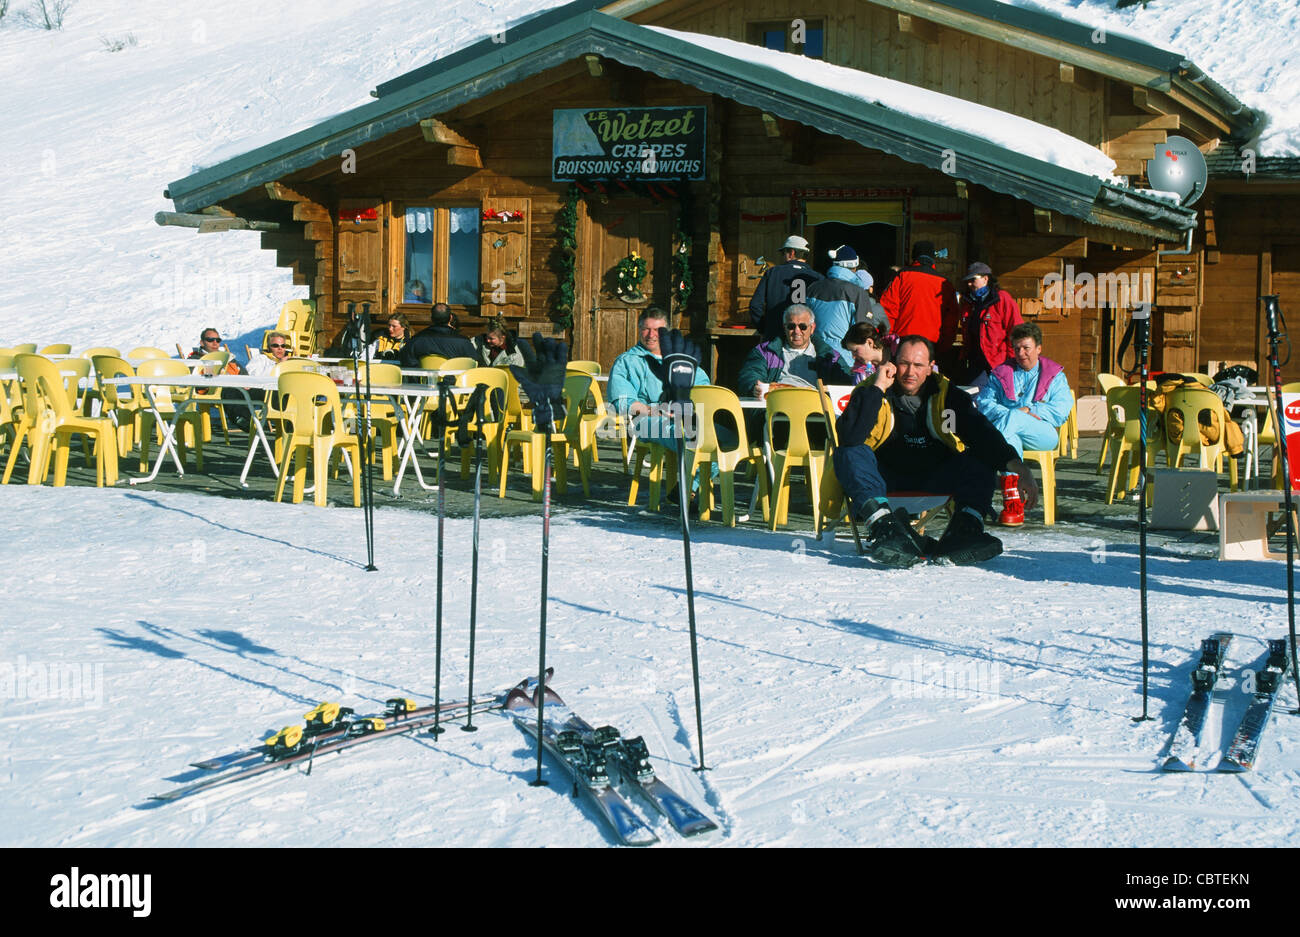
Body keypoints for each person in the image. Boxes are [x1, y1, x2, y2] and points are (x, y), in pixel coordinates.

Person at [831, 335, 1040, 567]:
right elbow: (849, 437)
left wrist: (1020, 468)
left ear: (930, 368)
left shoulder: (946, 394)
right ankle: (886, 531)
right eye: (904, 363)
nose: (910, 372)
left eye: (918, 365)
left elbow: (982, 434)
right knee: (848, 453)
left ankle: (964, 532)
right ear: (891, 363)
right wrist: (877, 388)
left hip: (935, 477)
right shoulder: (870, 390)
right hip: (883, 480)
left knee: (979, 457)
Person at [975, 322, 1073, 525]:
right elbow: (984, 404)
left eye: (1026, 348)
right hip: (1011, 435)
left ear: (1038, 348)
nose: (1021, 353)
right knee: (1011, 434)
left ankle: (981, 471)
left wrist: (1029, 411)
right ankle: (1013, 505)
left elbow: (1061, 410)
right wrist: (1013, 414)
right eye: (1017, 348)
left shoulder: (1054, 374)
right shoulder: (1002, 373)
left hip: (1043, 433)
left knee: (1014, 419)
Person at [738, 304, 851, 400]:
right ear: (784, 327)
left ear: (812, 328)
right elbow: (750, 374)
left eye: (803, 327)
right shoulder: (765, 351)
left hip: (815, 408)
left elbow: (845, 383)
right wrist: (754, 387)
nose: (797, 331)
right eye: (791, 326)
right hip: (776, 406)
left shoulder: (829, 356)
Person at [806, 245, 888, 368]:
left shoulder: (812, 288)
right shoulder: (858, 292)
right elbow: (864, 330)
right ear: (854, 267)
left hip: (813, 353)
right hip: (844, 359)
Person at [877, 240, 958, 354]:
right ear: (932, 258)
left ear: (914, 257)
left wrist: (888, 340)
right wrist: (944, 345)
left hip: (903, 341)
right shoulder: (945, 283)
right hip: (932, 343)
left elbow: (888, 310)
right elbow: (951, 319)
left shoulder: (902, 276)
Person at [954, 262, 1023, 386]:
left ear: (986, 279)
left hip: (999, 363)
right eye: (968, 281)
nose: (969, 284)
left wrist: (1011, 362)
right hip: (975, 363)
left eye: (973, 280)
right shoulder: (968, 302)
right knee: (974, 398)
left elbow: (1017, 332)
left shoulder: (1002, 299)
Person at [748, 235, 823, 341]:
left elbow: (755, 305)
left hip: (775, 336)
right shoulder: (818, 278)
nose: (783, 256)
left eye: (784, 253)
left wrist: (764, 328)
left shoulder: (772, 273)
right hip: (803, 338)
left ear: (791, 253)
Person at [399, 303, 476, 366]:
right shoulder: (463, 342)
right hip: (453, 383)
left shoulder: (416, 340)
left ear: (431, 318)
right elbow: (474, 363)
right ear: (451, 318)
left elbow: (406, 361)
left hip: (424, 383)